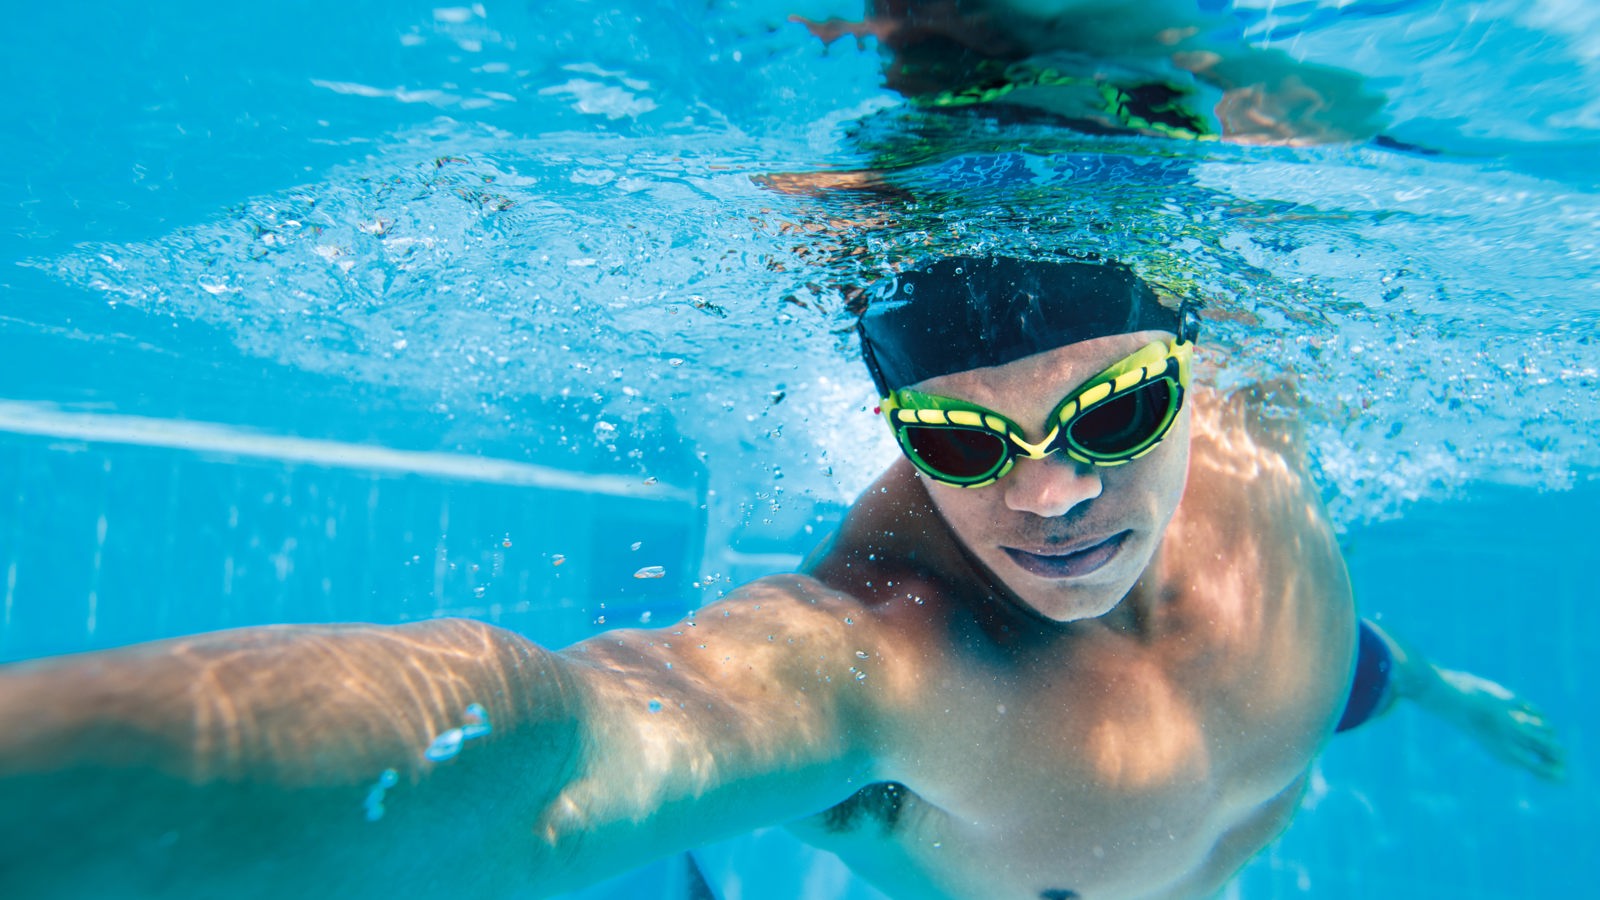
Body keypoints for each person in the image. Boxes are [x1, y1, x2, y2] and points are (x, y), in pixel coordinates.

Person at [0, 256, 1563, 900]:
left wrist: (1420, 682)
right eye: (961, 438)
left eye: (1117, 413)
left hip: (1302, 706)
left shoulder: (1252, 437)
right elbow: (560, 743)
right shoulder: (891, 654)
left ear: (1192, 367)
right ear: (898, 428)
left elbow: (1310, 644)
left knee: (1347, 666)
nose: (1052, 496)